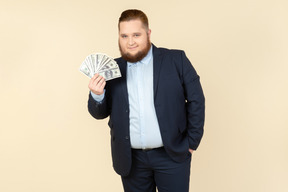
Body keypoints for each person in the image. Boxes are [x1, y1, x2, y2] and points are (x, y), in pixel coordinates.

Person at [87, 9, 205, 192]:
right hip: (131, 160)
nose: (130, 42)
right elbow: (99, 113)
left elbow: (197, 100)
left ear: (148, 33)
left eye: (136, 34)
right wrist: (97, 95)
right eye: (124, 36)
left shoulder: (176, 60)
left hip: (171, 155)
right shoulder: (111, 68)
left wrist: (191, 143)